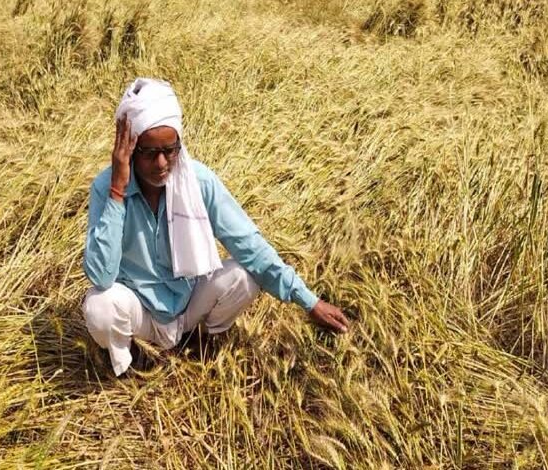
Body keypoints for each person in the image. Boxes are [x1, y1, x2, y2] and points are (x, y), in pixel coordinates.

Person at [81, 78, 351, 376]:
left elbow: (251, 246)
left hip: (188, 305)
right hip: (139, 312)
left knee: (245, 275)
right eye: (148, 153)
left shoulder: (198, 182)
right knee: (100, 306)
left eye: (170, 150)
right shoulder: (106, 187)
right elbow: (101, 276)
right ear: (130, 148)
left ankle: (200, 342)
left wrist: (309, 302)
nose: (161, 163)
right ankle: (134, 358)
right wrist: (118, 191)